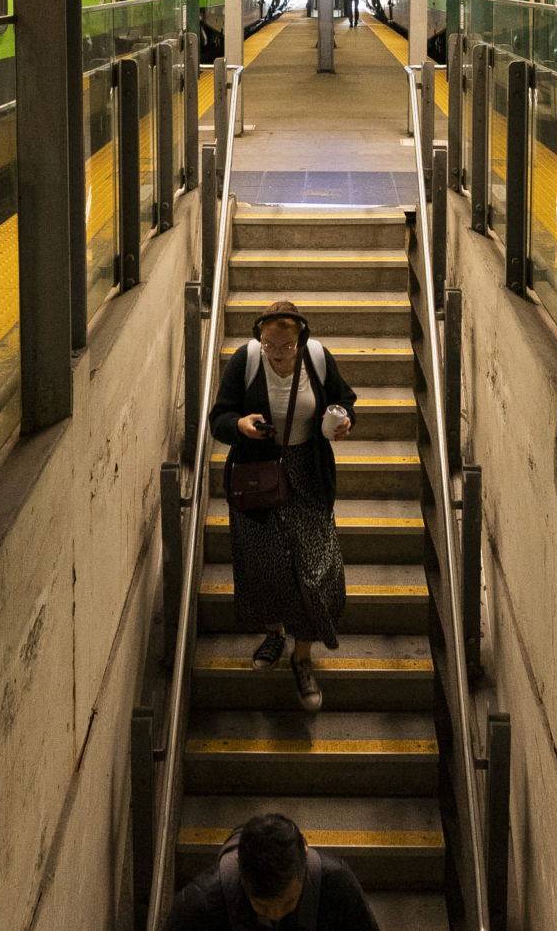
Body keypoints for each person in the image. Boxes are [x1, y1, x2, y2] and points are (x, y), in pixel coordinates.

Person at [208, 300, 357, 712]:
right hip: (257, 476)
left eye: (286, 346)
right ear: (260, 339)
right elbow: (218, 418)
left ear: (300, 341)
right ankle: (274, 634)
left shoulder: (319, 359)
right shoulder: (246, 360)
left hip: (308, 473)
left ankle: (302, 656)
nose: (277, 353)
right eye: (270, 344)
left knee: (315, 567)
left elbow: (346, 401)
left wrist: (344, 421)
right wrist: (239, 426)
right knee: (264, 563)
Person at [162, 813, 380, 930]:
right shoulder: (200, 905)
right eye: (261, 906)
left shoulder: (336, 885)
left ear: (303, 868)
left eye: (288, 903)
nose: (276, 914)